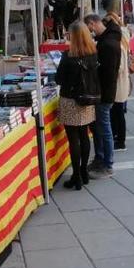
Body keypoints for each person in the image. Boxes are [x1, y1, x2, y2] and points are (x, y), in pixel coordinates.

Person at [55, 22, 99, 190]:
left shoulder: (68, 56)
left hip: (70, 99)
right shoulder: (93, 54)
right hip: (87, 100)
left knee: (73, 139)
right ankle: (83, 172)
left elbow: (59, 79)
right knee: (84, 135)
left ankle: (76, 176)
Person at [84, 14, 121, 178]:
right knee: (99, 127)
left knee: (105, 128)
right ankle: (100, 158)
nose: (89, 32)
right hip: (103, 92)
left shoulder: (108, 44)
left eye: (89, 28)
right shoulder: (107, 39)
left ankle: (108, 164)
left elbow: (107, 73)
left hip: (104, 94)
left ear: (92, 24)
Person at [105, 13, 132, 151]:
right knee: (117, 112)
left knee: (118, 112)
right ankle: (118, 137)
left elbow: (119, 67)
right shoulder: (122, 40)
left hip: (119, 84)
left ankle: (120, 141)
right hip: (120, 83)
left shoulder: (120, 45)